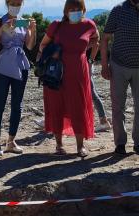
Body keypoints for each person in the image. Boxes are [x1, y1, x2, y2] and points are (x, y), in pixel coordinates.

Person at [100, 0, 139, 156]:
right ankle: (120, 143)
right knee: (117, 107)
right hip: (118, 65)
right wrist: (104, 65)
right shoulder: (118, 10)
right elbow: (105, 38)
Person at [39, 0, 99, 157]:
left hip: (79, 73)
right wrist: (53, 53)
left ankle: (80, 146)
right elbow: (42, 45)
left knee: (78, 107)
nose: (75, 11)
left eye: (78, 8)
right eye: (71, 9)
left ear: (84, 9)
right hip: (56, 74)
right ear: (66, 11)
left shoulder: (89, 25)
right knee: (56, 106)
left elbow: (96, 39)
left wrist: (88, 55)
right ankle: (59, 145)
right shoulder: (56, 25)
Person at [0, 0, 36, 157]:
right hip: (3, 65)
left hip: (20, 64)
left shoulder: (24, 21)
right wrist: (3, 27)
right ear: (7, 3)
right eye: (13, 2)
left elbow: (29, 46)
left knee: (17, 104)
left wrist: (32, 30)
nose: (16, 5)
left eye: (18, 3)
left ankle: (11, 141)